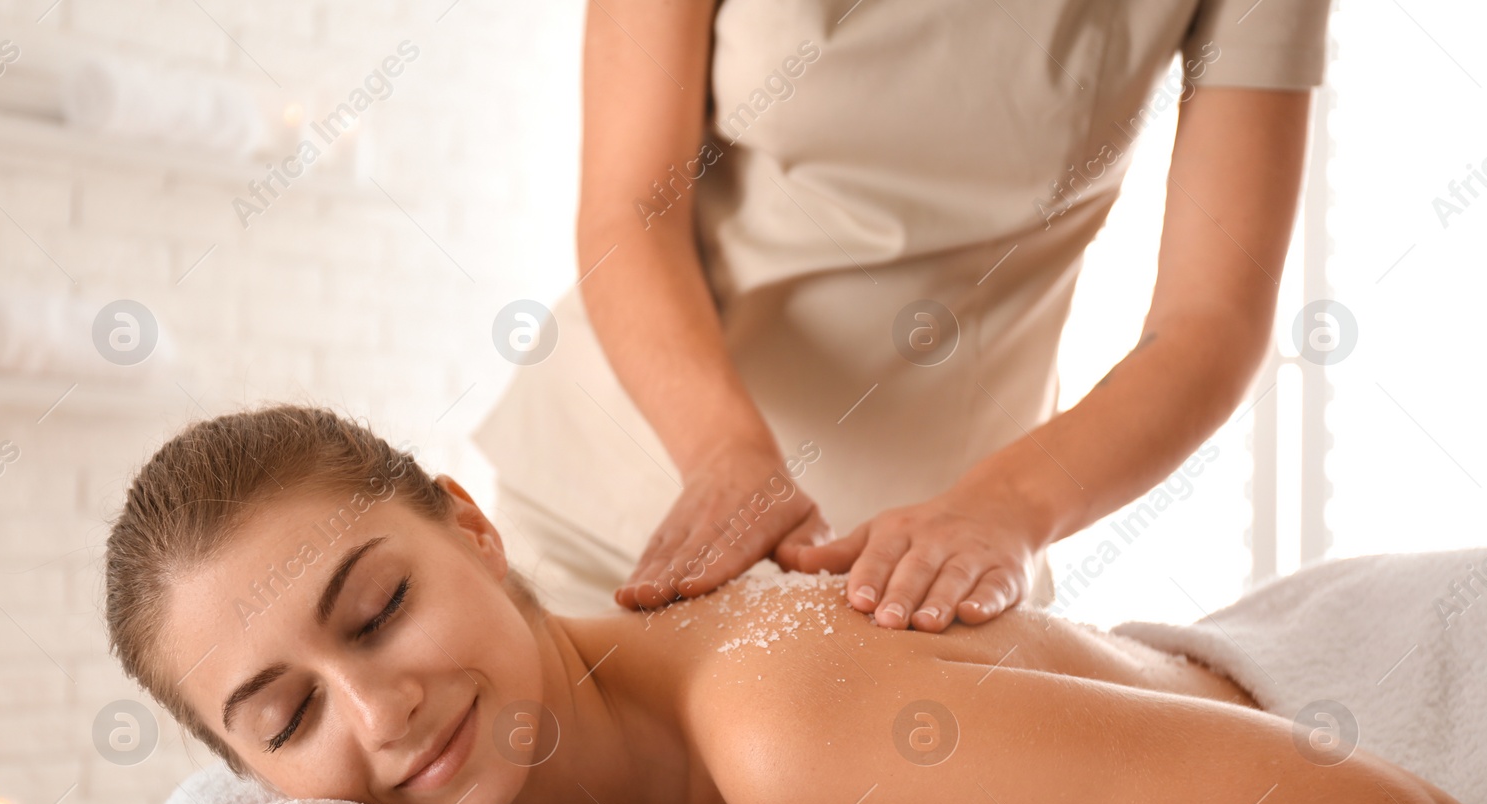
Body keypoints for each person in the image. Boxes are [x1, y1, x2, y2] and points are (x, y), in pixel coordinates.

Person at [104, 407, 1487, 804]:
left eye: (380, 606)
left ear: (472, 524)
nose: (378, 710)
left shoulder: (786, 735)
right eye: (286, 717)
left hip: (1418, 657)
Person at [472, 0, 1332, 633]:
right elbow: (631, 213)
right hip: (623, 494)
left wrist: (1007, 508)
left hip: (922, 572)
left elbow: (1209, 322)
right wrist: (725, 454)